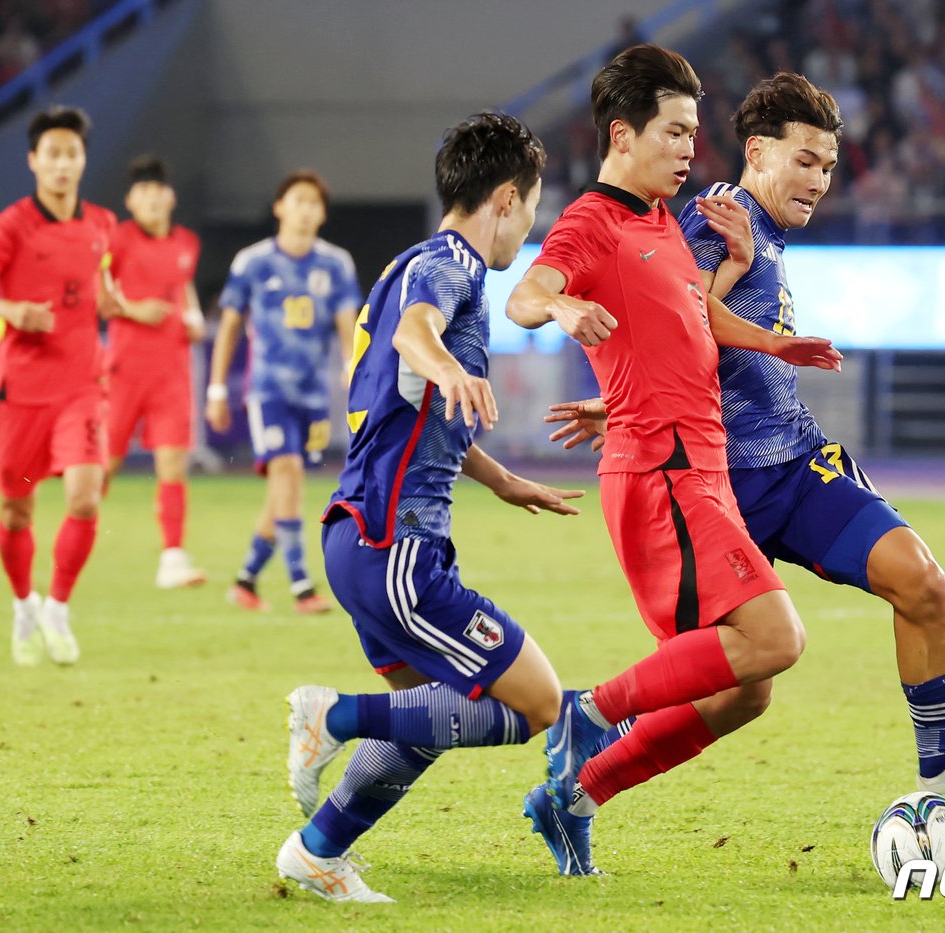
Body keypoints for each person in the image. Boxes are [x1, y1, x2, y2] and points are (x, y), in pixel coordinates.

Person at [547, 72, 945, 812]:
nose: (819, 180)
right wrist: (622, 401)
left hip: (795, 461)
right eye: (805, 161)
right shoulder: (715, 218)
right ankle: (581, 787)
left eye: (829, 167)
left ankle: (942, 763)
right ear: (758, 151)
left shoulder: (763, 228)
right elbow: (678, 322)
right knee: (742, 694)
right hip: (721, 483)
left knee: (922, 581)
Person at [505, 46, 842, 876]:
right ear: (624, 134)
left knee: (744, 688)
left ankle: (573, 795)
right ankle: (588, 713)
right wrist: (563, 301)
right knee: (776, 637)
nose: (692, 147)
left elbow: (692, 318)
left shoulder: (661, 221)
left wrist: (773, 341)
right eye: (676, 130)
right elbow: (523, 293)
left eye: (695, 131)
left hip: (697, 467)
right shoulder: (594, 221)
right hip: (660, 470)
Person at [275, 112, 584, 903]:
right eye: (535, 211)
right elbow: (419, 337)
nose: (533, 231)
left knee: (433, 709)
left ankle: (317, 851)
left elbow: (409, 396)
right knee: (536, 701)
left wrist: (500, 478)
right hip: (397, 548)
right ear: (506, 199)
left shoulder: (401, 267)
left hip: (363, 540)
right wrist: (448, 361)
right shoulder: (450, 264)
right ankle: (332, 716)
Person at [0, 105, 118, 667]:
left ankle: (59, 608)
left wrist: (119, 304)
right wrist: (11, 309)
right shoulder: (12, 225)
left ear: (82, 160)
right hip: (23, 395)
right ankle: (25, 603)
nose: (63, 164)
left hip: (81, 388)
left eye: (72, 154)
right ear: (34, 161)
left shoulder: (102, 223)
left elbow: (101, 285)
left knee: (85, 497)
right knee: (17, 509)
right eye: (53, 154)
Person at [205, 170, 361, 614]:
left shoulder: (336, 264)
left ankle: (246, 579)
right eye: (298, 200)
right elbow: (231, 324)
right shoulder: (253, 262)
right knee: (287, 474)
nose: (306, 210)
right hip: (268, 390)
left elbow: (347, 324)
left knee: (284, 489)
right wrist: (216, 389)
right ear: (279, 207)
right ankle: (301, 586)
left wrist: (353, 368)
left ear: (323, 214)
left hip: (313, 397)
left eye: (314, 203)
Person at [103, 155, 207, 590]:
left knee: (172, 465)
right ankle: (75, 532)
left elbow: (182, 286)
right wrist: (132, 309)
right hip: (124, 370)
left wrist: (195, 316)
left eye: (156, 191)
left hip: (171, 373)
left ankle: (172, 557)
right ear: (130, 200)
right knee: (104, 465)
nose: (150, 198)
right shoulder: (117, 239)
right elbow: (98, 295)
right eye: (141, 192)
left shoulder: (187, 243)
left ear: (170, 197)